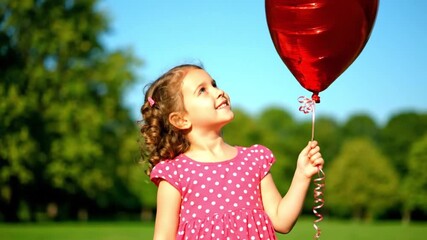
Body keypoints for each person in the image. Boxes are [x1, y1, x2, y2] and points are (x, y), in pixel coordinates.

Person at [139, 63, 324, 240]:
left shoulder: (253, 160)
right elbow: (163, 236)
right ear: (181, 119)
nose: (219, 92)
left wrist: (302, 174)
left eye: (214, 84)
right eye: (202, 90)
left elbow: (281, 221)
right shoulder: (175, 173)